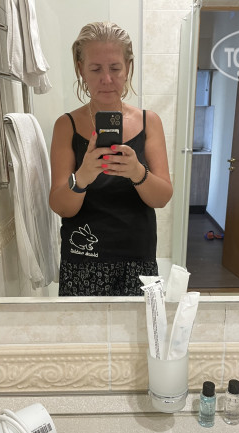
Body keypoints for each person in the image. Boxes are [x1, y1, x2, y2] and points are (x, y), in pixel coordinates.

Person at [49, 22, 172, 296]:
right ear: (81, 69)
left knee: (137, 326)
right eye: (95, 69)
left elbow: (162, 198)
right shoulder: (66, 125)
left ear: (128, 67)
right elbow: (61, 206)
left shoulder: (149, 122)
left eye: (115, 68)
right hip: (82, 261)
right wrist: (82, 177)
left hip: (138, 260)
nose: (106, 79)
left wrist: (138, 172)